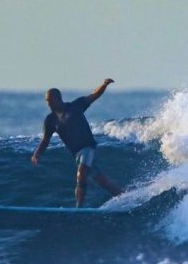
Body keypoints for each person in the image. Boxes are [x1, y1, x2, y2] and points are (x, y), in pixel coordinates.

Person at [31, 79, 123, 207]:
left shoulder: (76, 106)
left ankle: (78, 209)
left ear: (58, 98)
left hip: (88, 147)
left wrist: (104, 85)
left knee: (81, 175)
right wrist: (37, 154)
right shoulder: (50, 120)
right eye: (47, 101)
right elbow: (45, 140)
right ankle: (124, 196)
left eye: (50, 100)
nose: (48, 104)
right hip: (77, 154)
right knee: (101, 181)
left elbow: (93, 95)